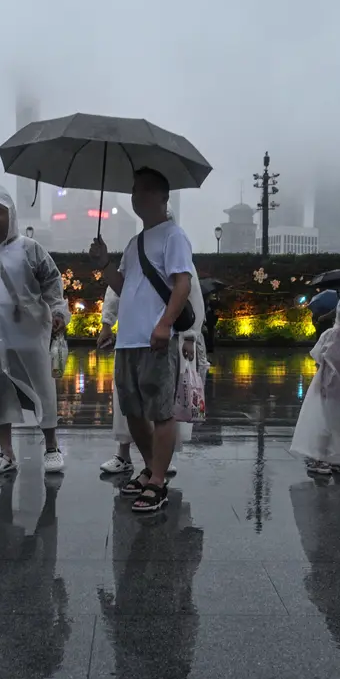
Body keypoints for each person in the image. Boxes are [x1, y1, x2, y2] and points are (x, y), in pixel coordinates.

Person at [89, 167, 194, 513]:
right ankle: (151, 469)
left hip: (156, 339)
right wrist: (104, 264)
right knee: (133, 411)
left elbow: (182, 284)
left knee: (161, 411)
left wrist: (164, 324)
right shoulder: (134, 244)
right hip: (128, 341)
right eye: (135, 190)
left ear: (163, 197)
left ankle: (158, 481)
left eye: (145, 190)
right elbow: (122, 288)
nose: (137, 196)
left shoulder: (173, 236)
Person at [0, 187, 68, 476]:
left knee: (41, 386)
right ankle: (6, 453)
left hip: (27, 334)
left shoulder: (30, 249)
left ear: (11, 216)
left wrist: (57, 312)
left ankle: (52, 447)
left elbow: (52, 282)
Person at [96, 270, 207, 476]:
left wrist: (190, 335)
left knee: (163, 404)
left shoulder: (175, 249)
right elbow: (115, 290)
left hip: (167, 339)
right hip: (132, 338)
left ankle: (162, 458)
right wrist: (107, 323)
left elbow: (192, 295)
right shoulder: (131, 253)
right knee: (128, 402)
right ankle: (123, 453)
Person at [291, 291, 340, 477]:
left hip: (329, 386)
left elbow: (318, 355)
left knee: (326, 421)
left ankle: (321, 459)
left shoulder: (331, 334)